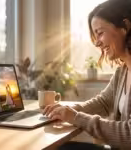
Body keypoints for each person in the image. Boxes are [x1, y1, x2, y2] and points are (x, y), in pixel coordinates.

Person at [43, 0, 131, 149]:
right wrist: (68, 111)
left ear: (125, 27)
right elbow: (103, 102)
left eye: (100, 33)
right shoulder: (123, 71)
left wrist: (75, 117)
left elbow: (128, 135)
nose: (97, 43)